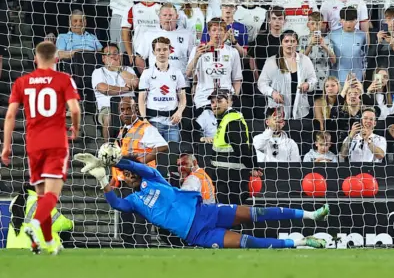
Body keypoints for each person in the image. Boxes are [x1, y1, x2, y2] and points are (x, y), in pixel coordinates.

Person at [75, 152, 329, 248]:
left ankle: (310, 215)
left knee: (256, 213)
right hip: (197, 234)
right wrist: (102, 180)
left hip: (206, 212)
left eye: (130, 172)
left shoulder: (154, 179)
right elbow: (117, 205)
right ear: (123, 179)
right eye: (125, 174)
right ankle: (300, 242)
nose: (129, 175)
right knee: (246, 242)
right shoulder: (133, 200)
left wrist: (115, 160)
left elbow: (143, 169)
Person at [1, 41, 81, 255]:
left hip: (33, 144)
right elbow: (74, 108)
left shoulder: (22, 81)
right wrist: (74, 127)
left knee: (41, 196)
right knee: (52, 196)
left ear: (35, 59)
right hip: (55, 141)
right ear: (57, 59)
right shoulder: (64, 79)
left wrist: (6, 146)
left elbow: (10, 115)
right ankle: (34, 224)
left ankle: (47, 242)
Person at [257, 30, 317, 120]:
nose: (290, 44)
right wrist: (272, 93)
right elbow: (261, 83)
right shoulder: (271, 61)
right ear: (281, 43)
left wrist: (308, 85)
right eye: (286, 41)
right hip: (277, 113)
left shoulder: (305, 60)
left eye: (293, 41)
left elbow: (313, 79)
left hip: (301, 112)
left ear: (297, 43)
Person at [138, 37, 188, 142]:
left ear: (170, 51)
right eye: (158, 50)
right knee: (154, 156)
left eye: (165, 49)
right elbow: (142, 99)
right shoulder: (147, 73)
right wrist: (144, 119)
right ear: (153, 52)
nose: (162, 53)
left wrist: (179, 112)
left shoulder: (177, 73)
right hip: (153, 122)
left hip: (172, 123)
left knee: (173, 155)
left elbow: (182, 98)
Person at [92, 44, 139, 140]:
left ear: (120, 56)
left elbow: (135, 83)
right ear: (103, 58)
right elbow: (104, 89)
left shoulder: (128, 69)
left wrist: (118, 69)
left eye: (115, 53)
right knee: (109, 117)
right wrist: (125, 89)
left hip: (131, 106)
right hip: (108, 108)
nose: (113, 56)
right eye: (109, 54)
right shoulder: (98, 71)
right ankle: (108, 149)